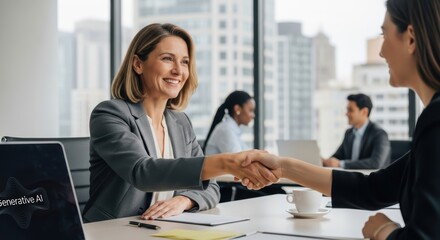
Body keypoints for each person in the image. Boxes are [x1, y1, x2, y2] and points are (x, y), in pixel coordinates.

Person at [242, 0, 440, 238]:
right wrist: (283, 167)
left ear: (411, 38)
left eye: (384, 35)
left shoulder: (435, 121)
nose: (381, 51)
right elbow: (371, 189)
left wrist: (385, 232)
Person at [82, 23, 278, 223]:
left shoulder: (180, 123)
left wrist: (184, 200)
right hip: (112, 231)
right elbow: (143, 172)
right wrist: (227, 162)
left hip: (163, 231)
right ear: (138, 64)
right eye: (167, 59)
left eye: (184, 62)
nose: (178, 70)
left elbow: (211, 188)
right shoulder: (109, 114)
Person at [322, 93, 391, 169]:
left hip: (373, 179)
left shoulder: (379, 134)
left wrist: (341, 164)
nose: (346, 113)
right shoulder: (349, 133)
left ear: (364, 112)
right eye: (347, 109)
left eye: (350, 110)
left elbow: (376, 163)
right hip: (353, 178)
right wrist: (325, 161)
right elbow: (338, 157)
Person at [203, 90, 255, 154]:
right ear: (237, 109)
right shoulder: (225, 129)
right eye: (250, 110)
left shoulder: (231, 129)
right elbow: (240, 160)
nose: (253, 115)